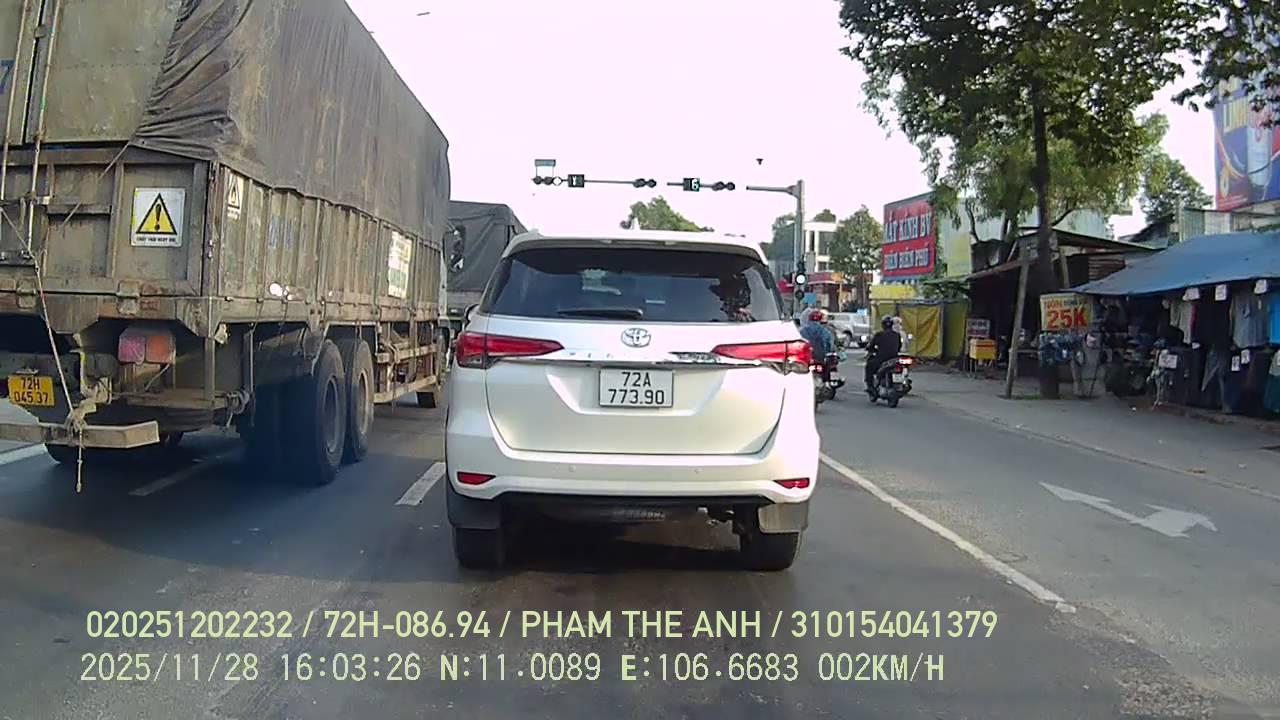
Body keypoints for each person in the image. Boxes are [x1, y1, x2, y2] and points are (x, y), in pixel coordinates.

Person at [865, 315, 903, 391]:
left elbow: (870, 346)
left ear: (883, 325)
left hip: (881, 359)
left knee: (869, 366)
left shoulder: (879, 335)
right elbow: (899, 347)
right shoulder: (897, 335)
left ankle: (870, 386)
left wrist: (871, 349)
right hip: (894, 359)